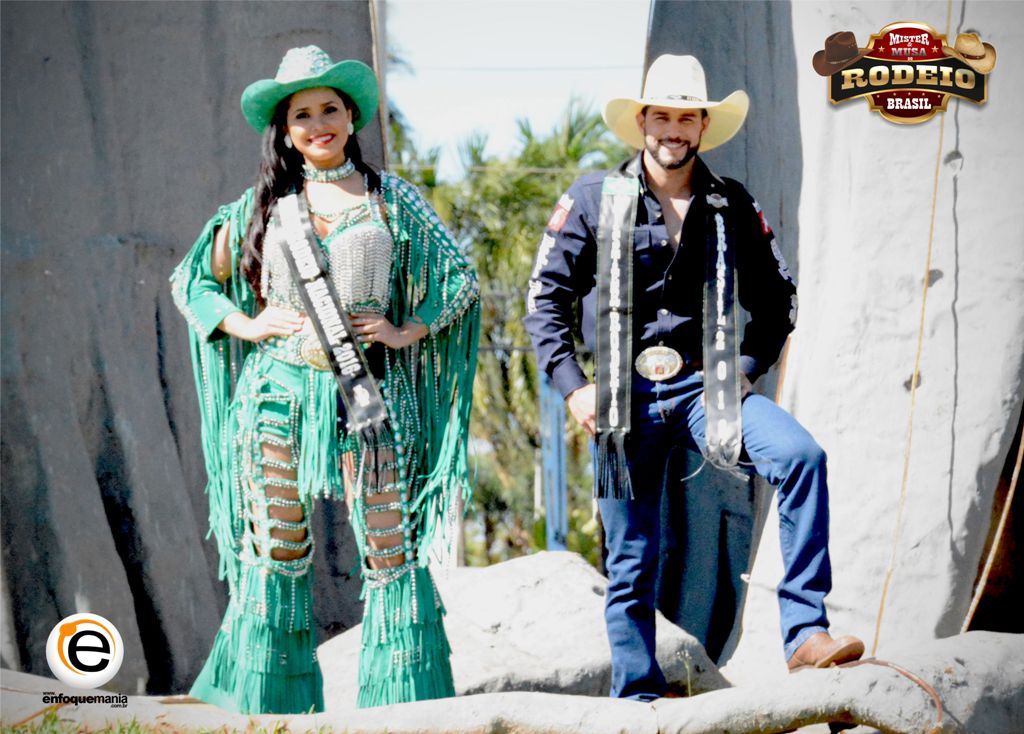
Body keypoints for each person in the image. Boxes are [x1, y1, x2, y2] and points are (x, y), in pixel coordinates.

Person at [523, 54, 863, 701]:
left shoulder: (729, 203)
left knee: (800, 456)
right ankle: (638, 697)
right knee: (631, 557)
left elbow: (778, 299)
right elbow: (545, 299)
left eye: (687, 117)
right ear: (642, 122)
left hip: (703, 390)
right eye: (662, 116)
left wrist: (745, 367)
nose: (673, 129)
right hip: (621, 401)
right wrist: (575, 386)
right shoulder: (594, 197)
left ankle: (804, 634)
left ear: (703, 126)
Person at [170, 46, 479, 713]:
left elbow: (460, 279)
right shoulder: (260, 206)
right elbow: (191, 280)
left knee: (391, 549)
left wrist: (409, 329)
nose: (318, 124)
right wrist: (247, 325)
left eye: (329, 109)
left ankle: (404, 714)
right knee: (278, 551)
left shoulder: (391, 199)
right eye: (301, 114)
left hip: (367, 395)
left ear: (350, 116)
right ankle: (261, 713)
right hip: (277, 392)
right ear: (285, 130)